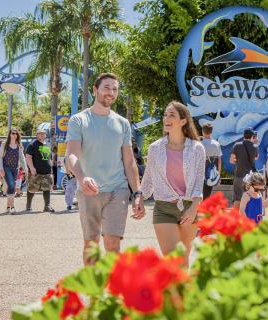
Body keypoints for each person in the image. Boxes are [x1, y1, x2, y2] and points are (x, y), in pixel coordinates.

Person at [66, 73, 144, 265]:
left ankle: (113, 292)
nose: (111, 92)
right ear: (95, 90)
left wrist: (137, 193)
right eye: (107, 88)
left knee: (113, 245)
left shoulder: (122, 123)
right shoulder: (78, 120)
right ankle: (94, 294)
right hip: (88, 191)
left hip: (118, 189)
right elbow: (71, 155)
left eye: (115, 89)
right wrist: (82, 178)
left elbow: (129, 161)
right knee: (91, 245)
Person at [141, 101, 205, 269]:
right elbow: (148, 178)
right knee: (173, 262)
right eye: (165, 115)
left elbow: (199, 181)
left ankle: (182, 296)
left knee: (183, 261)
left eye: (172, 115)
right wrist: (139, 198)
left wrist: (194, 208)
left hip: (190, 209)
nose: (166, 118)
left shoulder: (197, 148)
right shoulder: (155, 148)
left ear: (183, 121)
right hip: (164, 209)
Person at [0, 128, 28, 214]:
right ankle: (13, 206)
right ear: (9, 134)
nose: (14, 135)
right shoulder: (4, 144)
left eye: (16, 134)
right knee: (11, 185)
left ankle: (8, 206)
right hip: (6, 168)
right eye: (13, 133)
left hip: (15, 168)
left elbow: (22, 158)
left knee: (12, 186)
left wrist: (25, 168)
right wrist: (1, 169)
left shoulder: (19, 145)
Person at [25, 128, 55, 213]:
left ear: (46, 135)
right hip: (36, 172)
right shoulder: (32, 144)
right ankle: (28, 205)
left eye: (43, 133)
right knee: (32, 189)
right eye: (40, 133)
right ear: (37, 135)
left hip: (47, 172)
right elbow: (28, 157)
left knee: (47, 188)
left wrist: (51, 171)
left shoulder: (48, 145)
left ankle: (47, 206)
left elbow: (49, 159)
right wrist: (31, 168)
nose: (42, 135)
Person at [230, 127, 259, 208]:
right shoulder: (255, 147)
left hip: (239, 176)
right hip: (250, 178)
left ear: (243, 135)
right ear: (252, 136)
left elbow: (231, 160)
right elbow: (256, 158)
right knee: (249, 199)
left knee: (237, 199)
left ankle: (236, 219)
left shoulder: (237, 145)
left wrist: (239, 160)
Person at [201, 123, 222, 199]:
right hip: (211, 173)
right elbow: (219, 160)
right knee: (207, 194)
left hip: (201, 173)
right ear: (211, 132)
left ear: (202, 131)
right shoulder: (217, 144)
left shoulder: (200, 144)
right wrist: (218, 174)